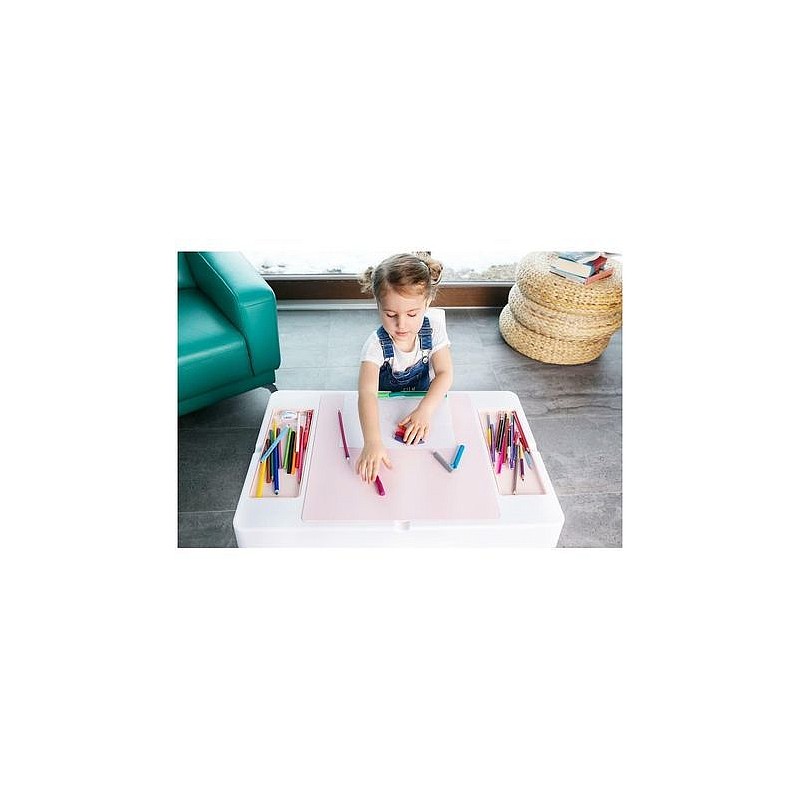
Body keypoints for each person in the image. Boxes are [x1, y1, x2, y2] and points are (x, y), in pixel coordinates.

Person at [355, 252, 454, 483]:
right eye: (390, 314)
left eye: (412, 314)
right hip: (384, 410)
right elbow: (367, 393)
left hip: (422, 403)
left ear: (427, 303)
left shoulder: (434, 329)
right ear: (378, 305)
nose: (401, 324)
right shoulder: (375, 345)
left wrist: (425, 410)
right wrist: (372, 442)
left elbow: (445, 373)